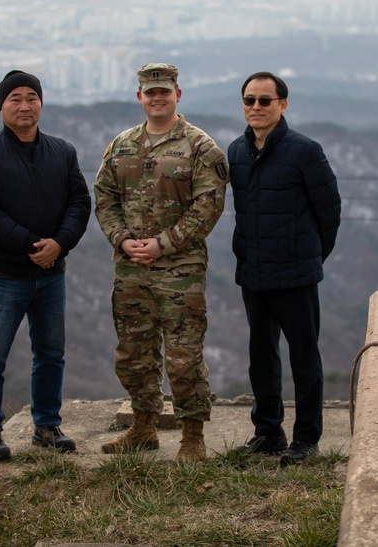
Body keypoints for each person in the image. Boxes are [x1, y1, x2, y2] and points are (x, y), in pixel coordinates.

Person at [93, 62, 228, 462]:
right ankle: (144, 427)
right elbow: (104, 198)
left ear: (177, 95)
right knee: (133, 354)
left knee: (184, 357)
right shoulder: (122, 146)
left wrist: (163, 244)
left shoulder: (200, 147)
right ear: (140, 97)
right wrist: (121, 239)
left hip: (180, 272)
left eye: (164, 91)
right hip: (131, 269)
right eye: (150, 92)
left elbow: (209, 207)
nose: (157, 98)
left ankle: (192, 437)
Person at [0, 69, 91, 461]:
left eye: (31, 97)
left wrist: (60, 243)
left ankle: (47, 424)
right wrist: (32, 244)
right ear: (1, 105)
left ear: (41, 104)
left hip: (52, 274)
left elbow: (80, 203)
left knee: (51, 353)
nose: (24, 105)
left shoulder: (62, 151)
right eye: (14, 98)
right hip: (5, 275)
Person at [228, 71, 341, 466]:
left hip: (295, 273)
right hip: (253, 271)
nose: (255, 107)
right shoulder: (236, 152)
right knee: (261, 355)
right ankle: (268, 432)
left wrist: (309, 256)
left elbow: (329, 213)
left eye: (264, 100)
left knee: (304, 358)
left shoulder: (305, 151)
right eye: (249, 100)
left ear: (283, 105)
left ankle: (306, 439)